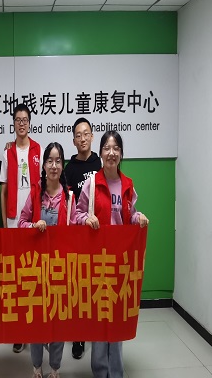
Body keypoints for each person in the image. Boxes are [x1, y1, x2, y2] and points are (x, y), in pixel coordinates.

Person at [75, 131, 149, 378]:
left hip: (120, 262)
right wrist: (86, 218)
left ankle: (116, 372)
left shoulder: (128, 185)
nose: (111, 153)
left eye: (116, 148)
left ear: (121, 154)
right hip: (97, 261)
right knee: (99, 319)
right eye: (107, 148)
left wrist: (138, 217)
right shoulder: (92, 183)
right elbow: (76, 215)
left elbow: (130, 214)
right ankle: (100, 370)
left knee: (117, 319)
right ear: (101, 153)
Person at [18, 142, 76, 378]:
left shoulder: (69, 197)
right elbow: (21, 223)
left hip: (60, 267)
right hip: (36, 267)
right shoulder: (35, 193)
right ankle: (36, 366)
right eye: (50, 161)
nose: (54, 165)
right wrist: (33, 226)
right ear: (43, 165)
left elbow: (75, 230)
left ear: (63, 165)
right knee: (37, 319)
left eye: (58, 161)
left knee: (58, 320)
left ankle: (55, 368)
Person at [0, 103, 42, 354]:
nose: (21, 123)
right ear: (13, 123)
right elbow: (3, 191)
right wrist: (6, 225)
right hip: (15, 220)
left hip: (34, 221)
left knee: (34, 271)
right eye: (18, 119)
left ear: (29, 123)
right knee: (15, 275)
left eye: (25, 119)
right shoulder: (8, 153)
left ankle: (35, 327)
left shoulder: (39, 149)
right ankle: (18, 331)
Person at [63, 117, 101, 360]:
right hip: (78, 234)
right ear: (74, 140)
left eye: (86, 133)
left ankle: (97, 330)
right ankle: (78, 336)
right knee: (78, 285)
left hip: (99, 234)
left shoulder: (101, 162)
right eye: (78, 135)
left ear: (92, 136)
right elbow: (67, 204)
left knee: (97, 283)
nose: (83, 138)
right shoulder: (69, 169)